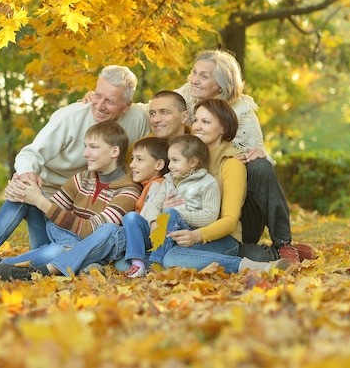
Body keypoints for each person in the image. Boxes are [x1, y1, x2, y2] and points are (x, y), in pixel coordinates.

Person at [0, 66, 150, 275]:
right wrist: (26, 179)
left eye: (110, 101)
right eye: (98, 95)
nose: (99, 105)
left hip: (81, 216)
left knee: (61, 248)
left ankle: (3, 266)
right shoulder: (69, 118)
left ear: (127, 105)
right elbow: (30, 155)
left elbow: (172, 106)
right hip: (54, 197)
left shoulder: (140, 119)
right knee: (28, 189)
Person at [175, 49, 315, 264]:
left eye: (204, 76)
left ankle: (284, 243)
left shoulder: (243, 114)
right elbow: (156, 110)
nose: (195, 80)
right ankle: (269, 255)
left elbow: (258, 159)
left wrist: (257, 155)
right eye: (194, 73)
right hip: (201, 210)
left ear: (220, 84)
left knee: (260, 166)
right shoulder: (186, 95)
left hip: (238, 214)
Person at [152, 98, 289, 273]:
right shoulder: (190, 159)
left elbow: (230, 221)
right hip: (186, 231)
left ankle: (255, 265)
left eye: (206, 122)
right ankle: (254, 257)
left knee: (172, 258)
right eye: (196, 120)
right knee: (163, 255)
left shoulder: (232, 163)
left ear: (223, 128)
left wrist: (196, 236)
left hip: (221, 237)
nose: (197, 127)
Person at [0, 121, 141, 281]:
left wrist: (39, 200)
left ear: (114, 151)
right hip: (62, 240)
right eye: (85, 146)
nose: (85, 153)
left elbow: (90, 230)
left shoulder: (128, 190)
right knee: (28, 187)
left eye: (93, 147)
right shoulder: (82, 178)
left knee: (106, 231)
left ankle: (4, 266)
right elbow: (52, 211)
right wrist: (26, 193)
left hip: (90, 246)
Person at [125, 134, 220, 277]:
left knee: (170, 212)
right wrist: (153, 222)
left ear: (193, 162)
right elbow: (154, 207)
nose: (169, 166)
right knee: (131, 217)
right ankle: (137, 263)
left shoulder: (208, 183)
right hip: (159, 233)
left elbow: (210, 216)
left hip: (184, 234)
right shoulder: (168, 180)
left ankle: (156, 264)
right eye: (170, 160)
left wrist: (177, 214)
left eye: (175, 160)